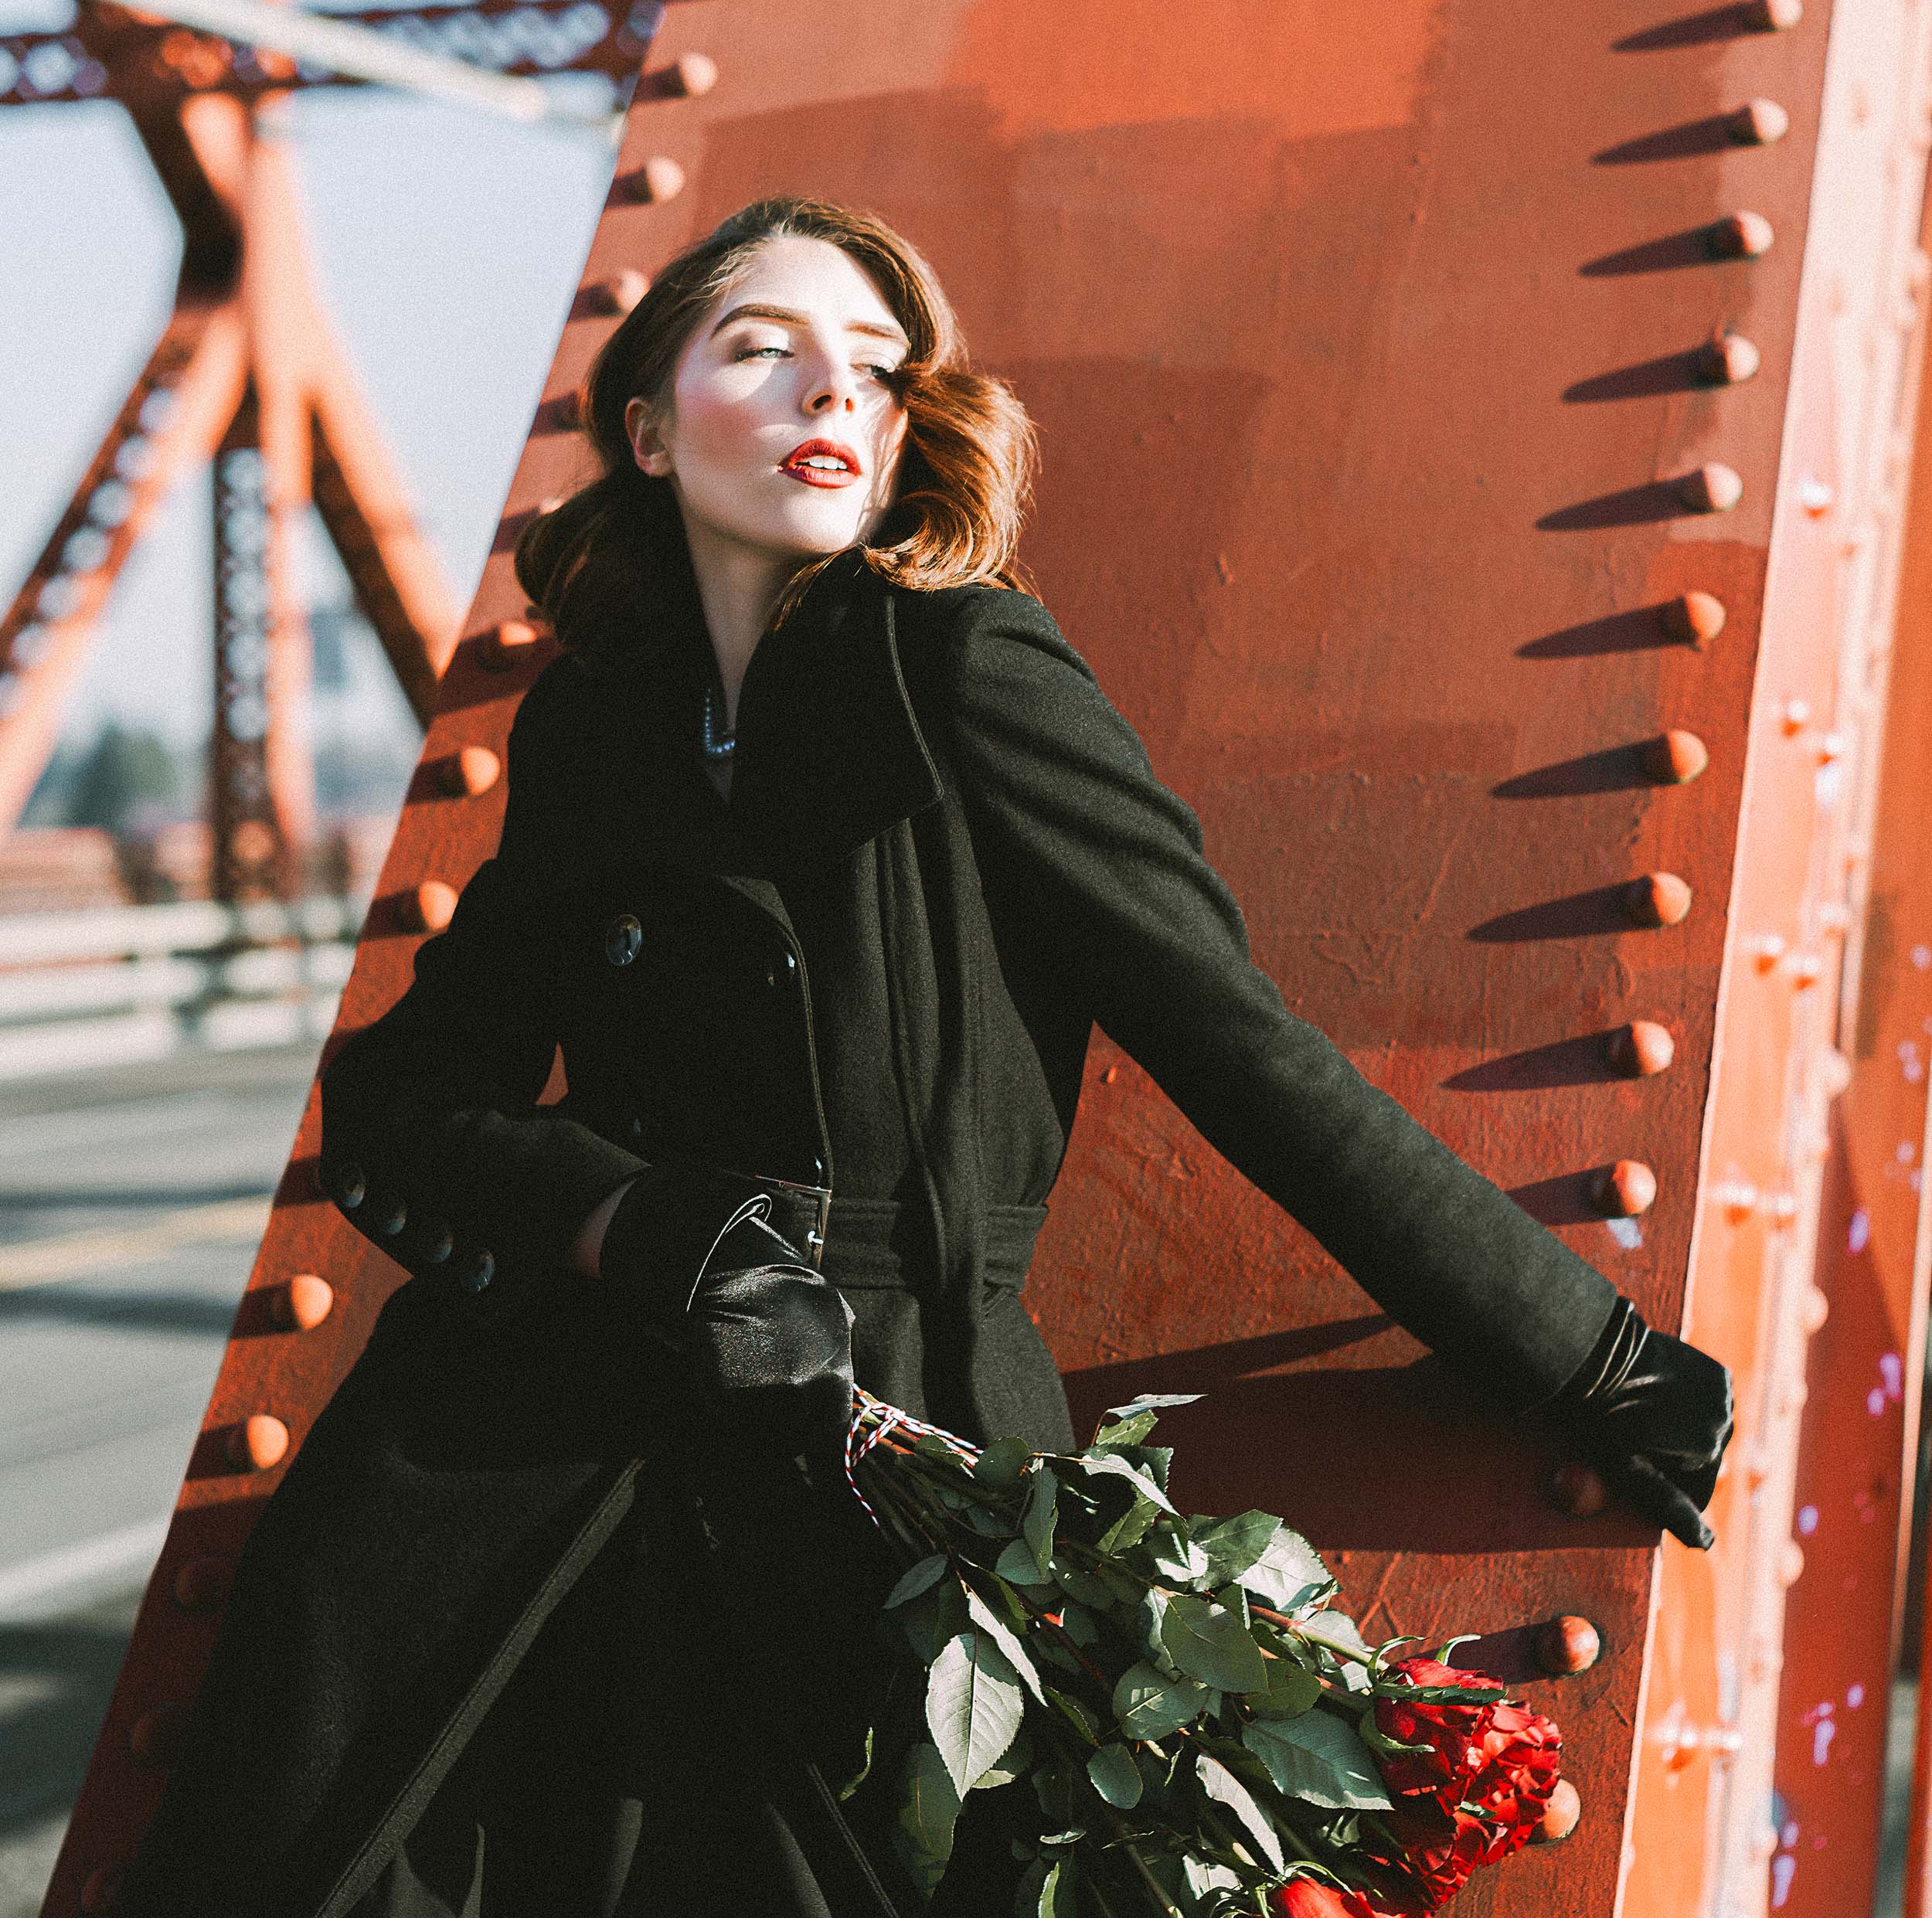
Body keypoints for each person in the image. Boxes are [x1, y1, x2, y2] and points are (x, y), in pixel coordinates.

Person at [119, 196, 1733, 1918]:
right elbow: (401, 1096)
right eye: (765, 350)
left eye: (877, 370)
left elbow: (1229, 1029)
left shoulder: (964, 669)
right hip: (520, 1469)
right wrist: (621, 1217)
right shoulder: (594, 723)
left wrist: (1587, 1351)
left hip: (876, 1468)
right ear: (649, 429)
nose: (835, 393)